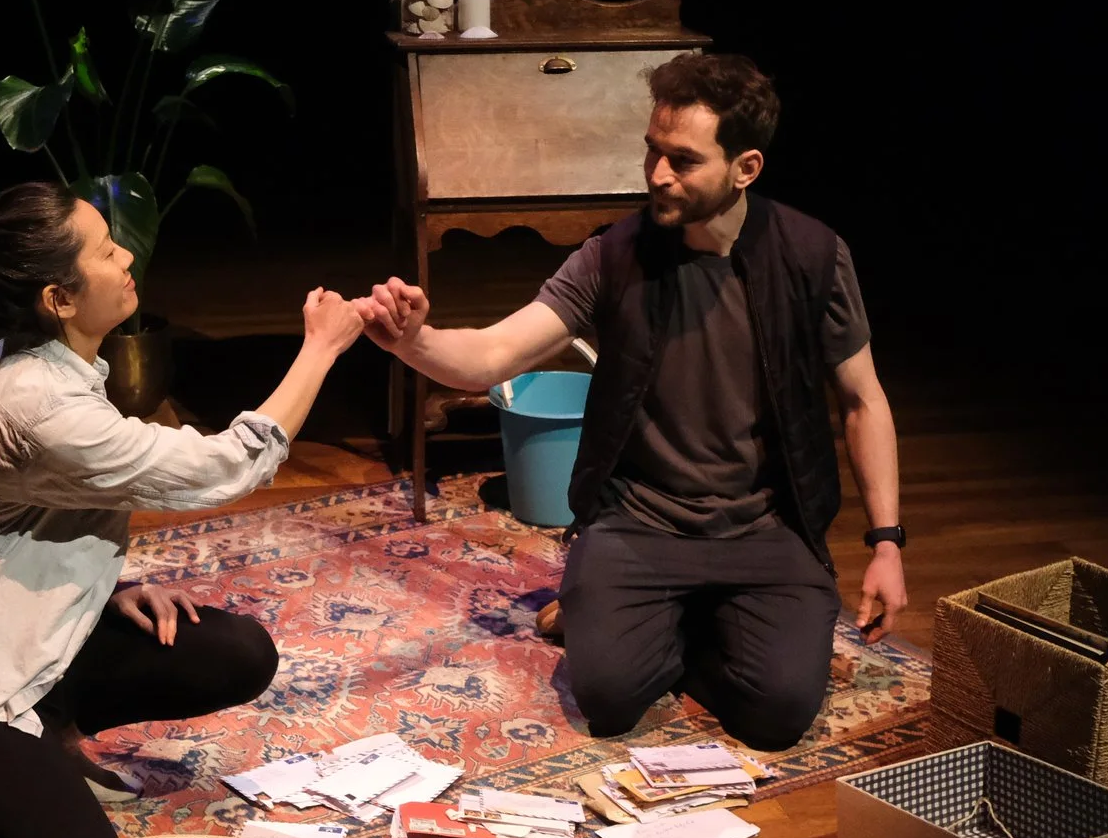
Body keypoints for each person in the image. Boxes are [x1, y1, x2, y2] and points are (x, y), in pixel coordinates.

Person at [355, 53, 906, 751]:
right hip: (639, 521)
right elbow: (494, 355)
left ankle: (673, 622)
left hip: (765, 528)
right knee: (609, 698)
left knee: (778, 715)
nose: (657, 174)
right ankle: (635, 614)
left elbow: (863, 400)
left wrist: (886, 543)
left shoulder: (814, 256)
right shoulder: (613, 255)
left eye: (683, 160)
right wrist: (414, 340)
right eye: (652, 150)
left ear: (746, 168)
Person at [0, 181, 366, 838]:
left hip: (28, 640)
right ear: (58, 299)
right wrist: (321, 347)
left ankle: (47, 739)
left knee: (235, 652)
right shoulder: (36, 404)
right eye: (105, 252)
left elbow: (31, 526)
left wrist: (106, 586)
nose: (127, 256)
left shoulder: (53, 363)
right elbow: (226, 465)